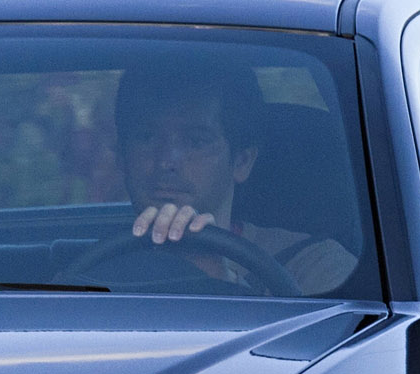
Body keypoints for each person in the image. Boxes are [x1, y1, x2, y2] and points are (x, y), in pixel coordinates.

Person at [114, 65, 357, 293]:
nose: (166, 162)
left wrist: (223, 283)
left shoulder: (317, 265)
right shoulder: (87, 263)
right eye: (146, 137)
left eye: (196, 141)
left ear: (242, 162)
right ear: (122, 158)